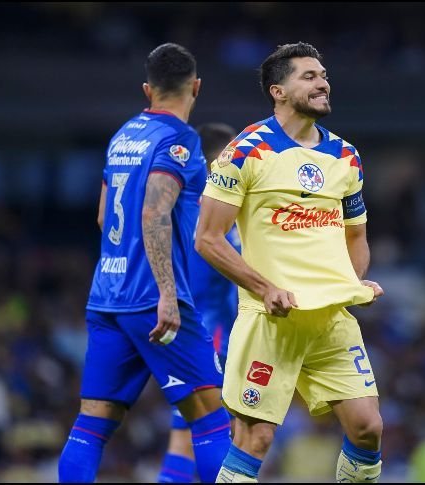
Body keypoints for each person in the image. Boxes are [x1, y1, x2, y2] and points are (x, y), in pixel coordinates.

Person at [195, 42, 386, 483]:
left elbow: (355, 236)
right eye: (309, 76)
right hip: (270, 320)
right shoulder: (245, 151)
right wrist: (265, 289)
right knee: (254, 440)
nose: (323, 83)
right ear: (278, 91)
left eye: (323, 75)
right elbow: (207, 238)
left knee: (368, 428)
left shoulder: (345, 156)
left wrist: (351, 284)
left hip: (329, 320)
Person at [57, 43, 231, 483]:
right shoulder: (180, 140)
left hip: (106, 297)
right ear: (197, 87)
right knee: (212, 420)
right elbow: (154, 211)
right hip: (155, 301)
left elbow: (102, 216)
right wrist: (167, 294)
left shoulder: (123, 135)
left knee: (91, 426)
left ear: (146, 88)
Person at [158, 122, 240, 483]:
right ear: (221, 160)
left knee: (183, 435)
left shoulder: (174, 208)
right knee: (221, 432)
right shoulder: (220, 216)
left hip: (182, 333)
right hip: (216, 336)